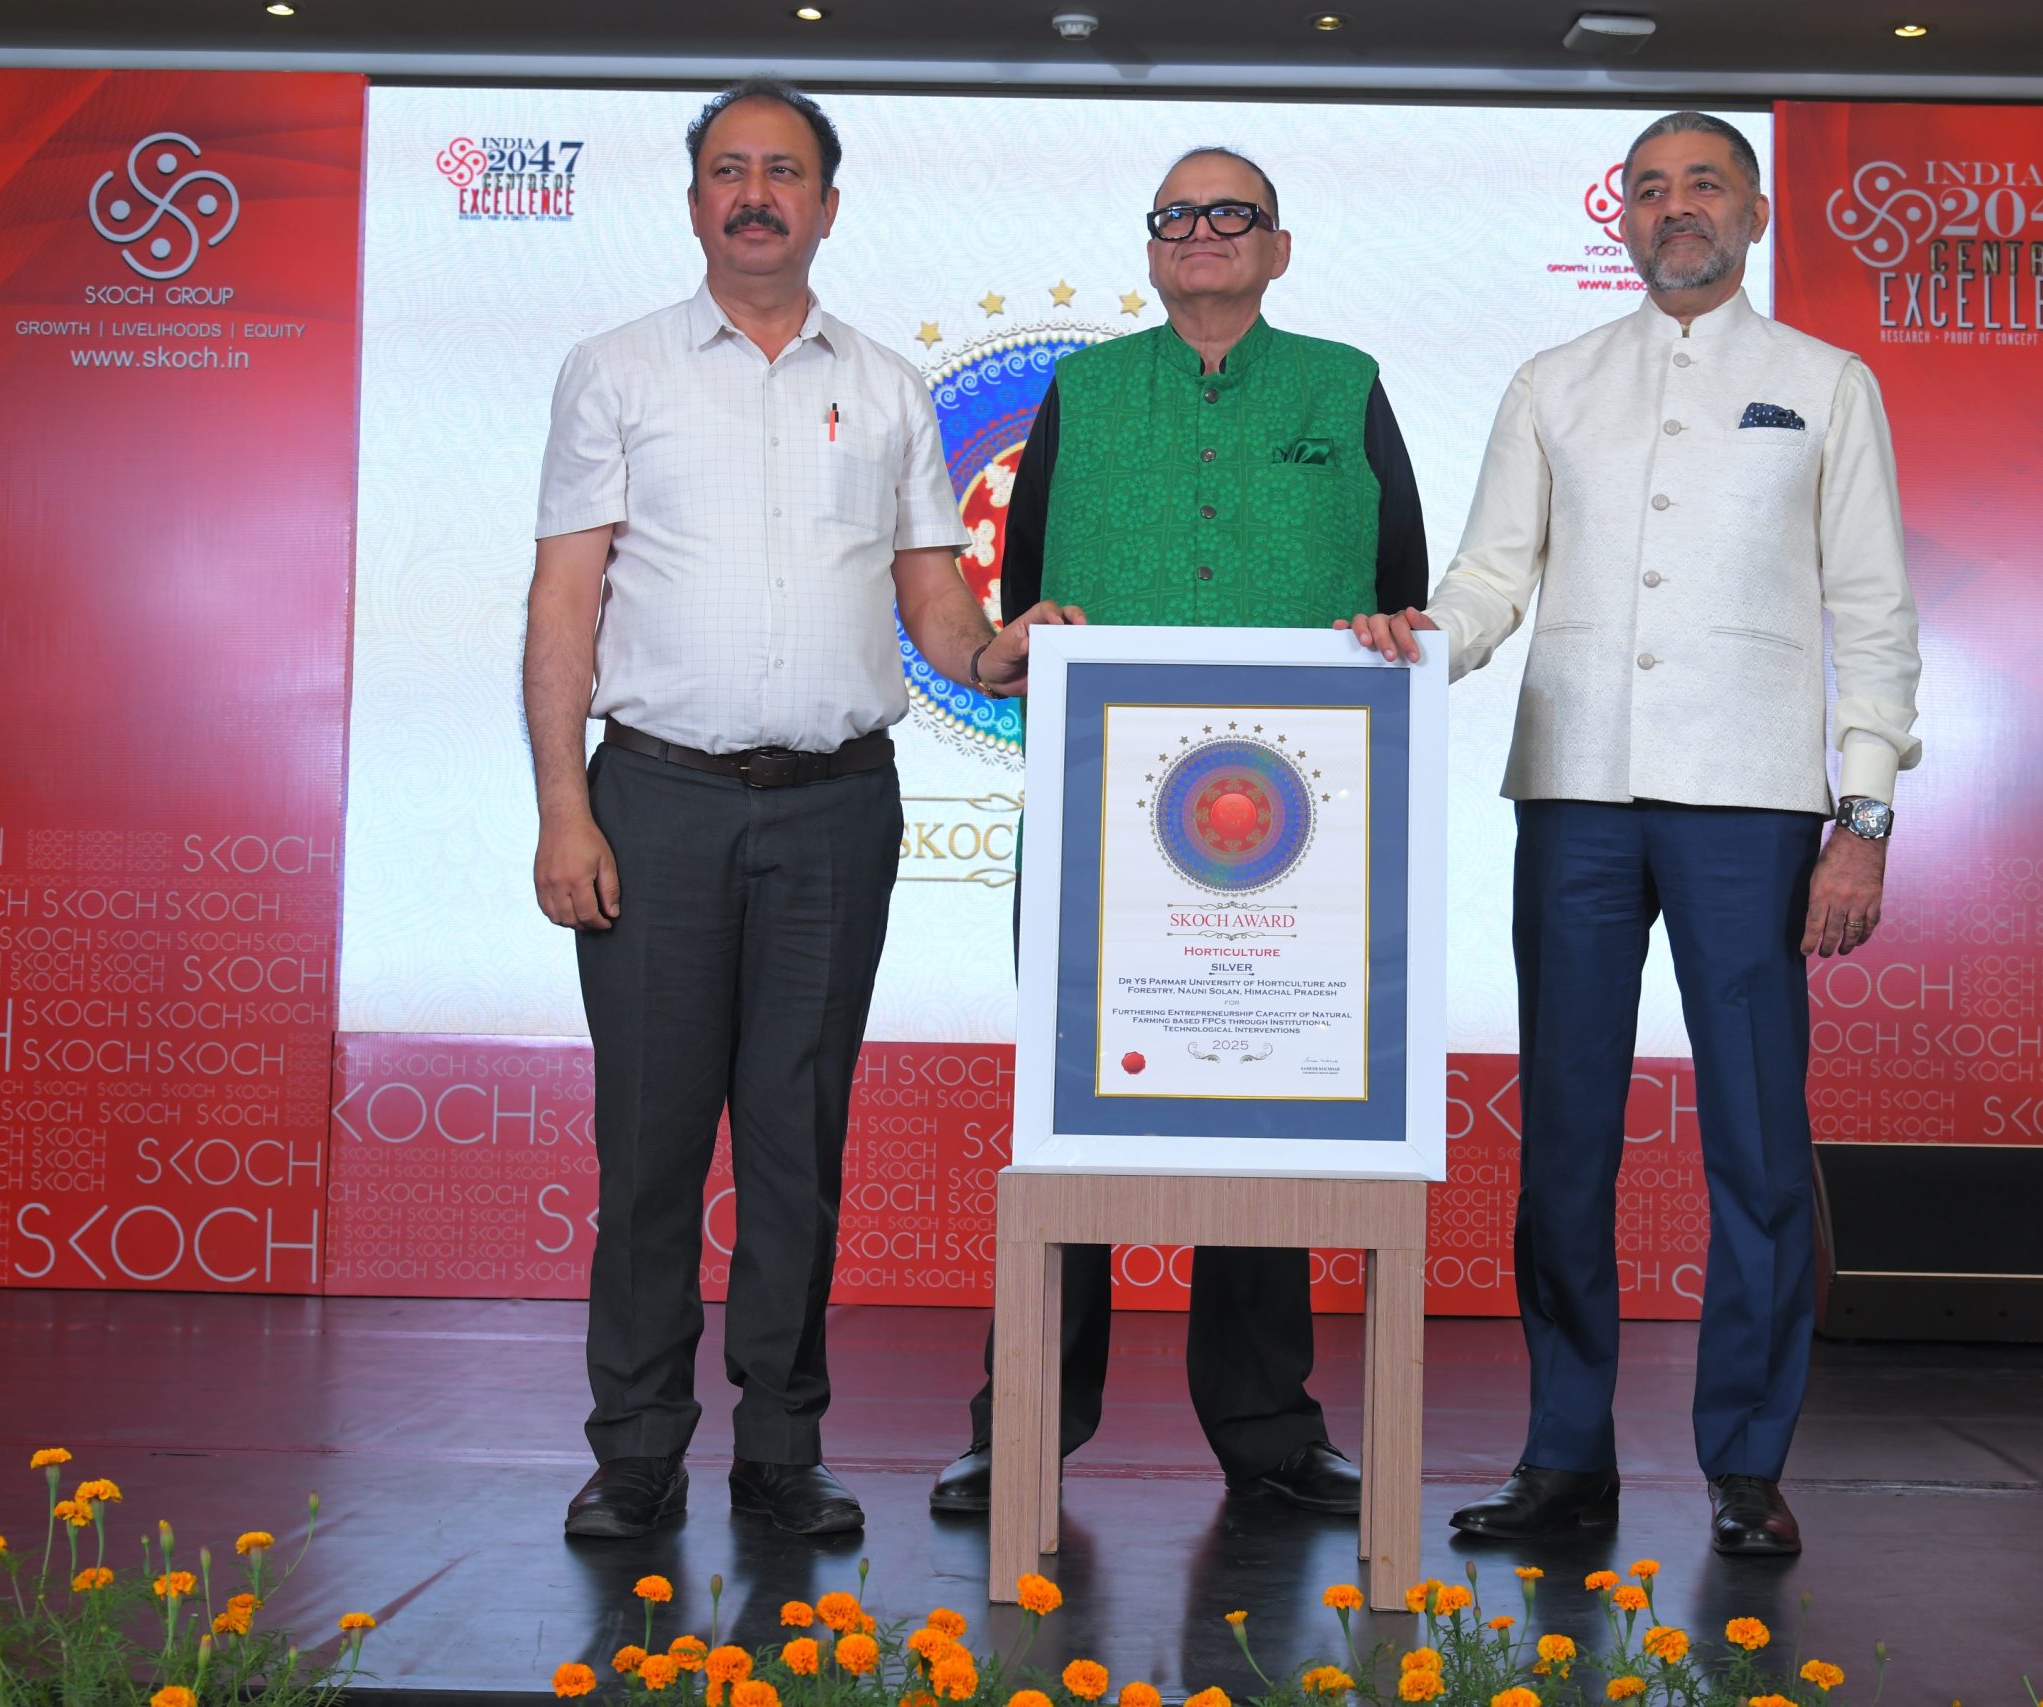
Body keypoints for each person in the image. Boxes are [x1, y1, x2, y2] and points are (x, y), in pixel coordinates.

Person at [1342, 111, 1921, 1555]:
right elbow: (1492, 575)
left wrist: (1863, 815)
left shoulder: (1826, 384)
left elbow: (1873, 611)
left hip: (1754, 806)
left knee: (1759, 1143)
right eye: (1651, 190)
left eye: (1705, 184)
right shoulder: (1555, 381)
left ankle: (1746, 1461)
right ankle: (1564, 1455)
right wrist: (1416, 646)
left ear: (1756, 211)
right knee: (1565, 1140)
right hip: (1576, 796)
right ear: (1622, 220)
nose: (1677, 209)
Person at [527, 77, 1078, 1541]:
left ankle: (781, 1448)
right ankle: (635, 1451)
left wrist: (995, 654)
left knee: (797, 1139)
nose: (755, 194)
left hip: (837, 812)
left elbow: (930, 600)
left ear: (827, 207)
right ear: (694, 200)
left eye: (783, 172)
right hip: (653, 802)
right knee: (649, 1146)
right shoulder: (614, 370)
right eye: (730, 170)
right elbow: (565, 599)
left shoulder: (888, 386)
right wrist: (563, 808)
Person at [927, 145, 1432, 1519]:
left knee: (1272, 1110)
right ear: (1151, 250)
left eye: (1232, 214)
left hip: (1297, 837)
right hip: (1101, 831)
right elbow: (1024, 596)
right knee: (1070, 1120)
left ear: (1278, 247)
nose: (1202, 231)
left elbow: (1400, 586)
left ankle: (1269, 1428)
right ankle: (1023, 1422)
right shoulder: (1084, 393)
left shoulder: (1345, 385)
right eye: (1176, 216)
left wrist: (1389, 633)